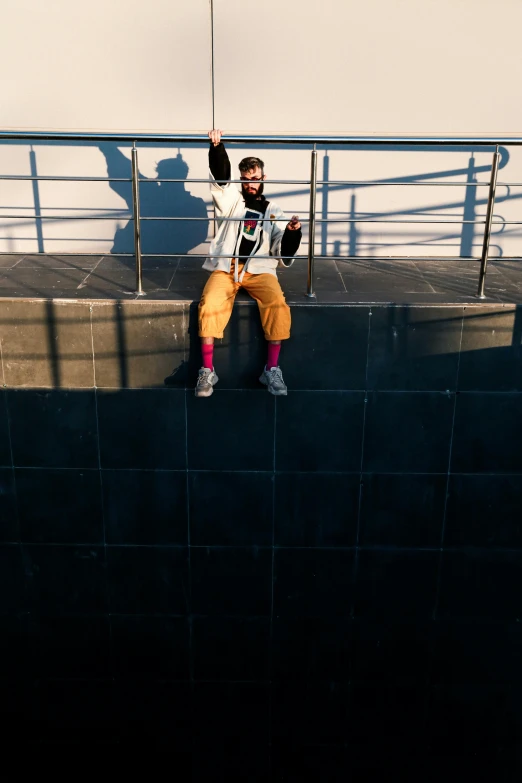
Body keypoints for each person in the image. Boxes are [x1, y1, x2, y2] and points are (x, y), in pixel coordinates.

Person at [196, 129, 302, 398]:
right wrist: (217, 147)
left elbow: (281, 248)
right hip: (227, 268)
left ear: (263, 178)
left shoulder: (274, 210)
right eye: (245, 180)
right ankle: (207, 370)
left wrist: (292, 232)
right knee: (209, 303)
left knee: (277, 304)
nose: (250, 184)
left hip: (259, 271)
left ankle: (272, 369)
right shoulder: (232, 201)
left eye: (255, 179)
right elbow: (221, 179)